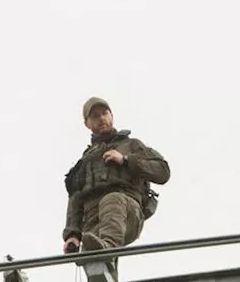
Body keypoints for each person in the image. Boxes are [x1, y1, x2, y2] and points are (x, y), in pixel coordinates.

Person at [62, 96, 170, 253]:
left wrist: (126, 160)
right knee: (96, 263)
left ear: (111, 115)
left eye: (104, 113)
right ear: (87, 124)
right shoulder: (84, 162)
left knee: (112, 200)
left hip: (127, 212)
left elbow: (163, 171)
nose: (101, 118)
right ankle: (103, 253)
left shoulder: (132, 145)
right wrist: (72, 235)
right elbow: (75, 200)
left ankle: (107, 247)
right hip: (94, 223)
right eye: (95, 116)